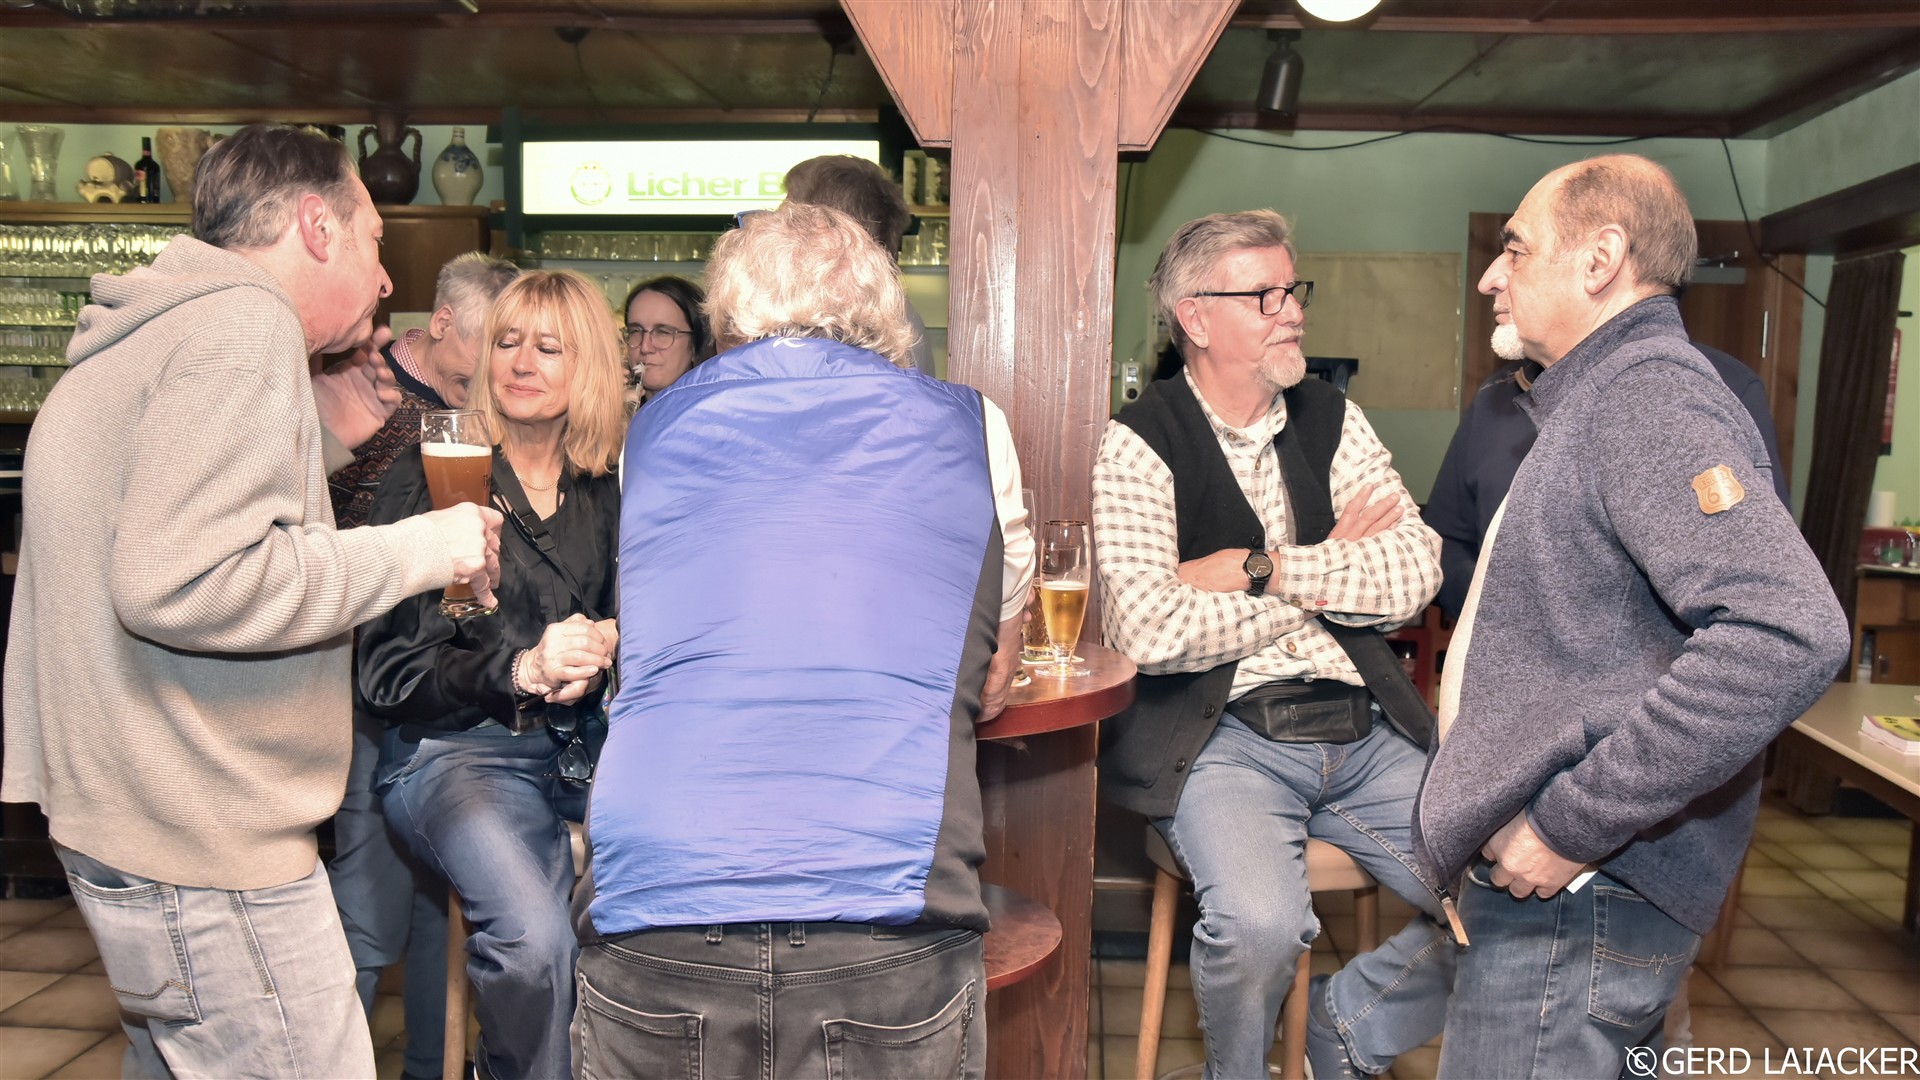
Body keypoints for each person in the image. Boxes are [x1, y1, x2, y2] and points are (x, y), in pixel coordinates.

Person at [1, 123, 502, 1079]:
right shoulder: (242, 325)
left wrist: (325, 438)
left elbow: (153, 520)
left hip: (120, 825)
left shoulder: (153, 325)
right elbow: (185, 583)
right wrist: (419, 548)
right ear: (316, 226)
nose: (384, 280)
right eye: (373, 241)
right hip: (205, 843)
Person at [573, 201, 1033, 1080]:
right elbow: (993, 677)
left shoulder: (653, 431)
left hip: (658, 893)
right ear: (884, 308)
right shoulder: (975, 429)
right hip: (887, 901)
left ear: (726, 319)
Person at [1419, 154, 1849, 1077]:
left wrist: (1570, 824)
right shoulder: (1605, 393)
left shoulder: (1646, 396)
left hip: (1581, 892)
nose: (1491, 276)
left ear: (1601, 259)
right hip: (1582, 892)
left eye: (1515, 249)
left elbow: (1788, 632)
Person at [1093, 209, 1454, 1080]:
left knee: (1512, 884)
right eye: (1265, 296)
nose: (1292, 311)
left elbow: (1417, 571)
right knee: (1259, 926)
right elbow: (1148, 630)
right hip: (1225, 743)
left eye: (1294, 290)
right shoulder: (1138, 444)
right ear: (1195, 317)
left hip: (1368, 732)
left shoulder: (1334, 419)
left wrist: (1266, 569)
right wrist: (1331, 582)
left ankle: (1345, 1026)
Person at [358, 268, 625, 1080]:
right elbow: (388, 672)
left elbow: (652, 614)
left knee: (674, 916)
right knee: (537, 945)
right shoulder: (432, 476)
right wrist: (521, 669)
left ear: (590, 367)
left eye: (549, 347)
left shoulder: (609, 487)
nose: (521, 362)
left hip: (588, 753)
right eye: (507, 342)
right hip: (455, 755)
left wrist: (612, 638)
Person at [325, 250, 520, 1080]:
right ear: (443, 326)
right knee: (366, 903)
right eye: (495, 342)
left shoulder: (468, 415)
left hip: (447, 685)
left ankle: (427, 1067)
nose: (506, 366)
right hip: (361, 685)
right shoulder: (360, 394)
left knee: (447, 898)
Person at [1426, 342, 1788, 619]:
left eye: (1518, 264)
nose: (1491, 281)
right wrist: (1502, 611)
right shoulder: (1495, 395)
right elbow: (1446, 540)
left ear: (1598, 270)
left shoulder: (1721, 385)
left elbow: (1763, 585)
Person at [783, 153, 937, 375]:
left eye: (790, 219)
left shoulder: (839, 322)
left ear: (827, 232)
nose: (776, 228)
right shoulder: (892, 315)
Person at [620, 274, 713, 412]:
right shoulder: (617, 411)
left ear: (695, 344)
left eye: (663, 332)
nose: (645, 347)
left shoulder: (711, 414)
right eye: (635, 331)